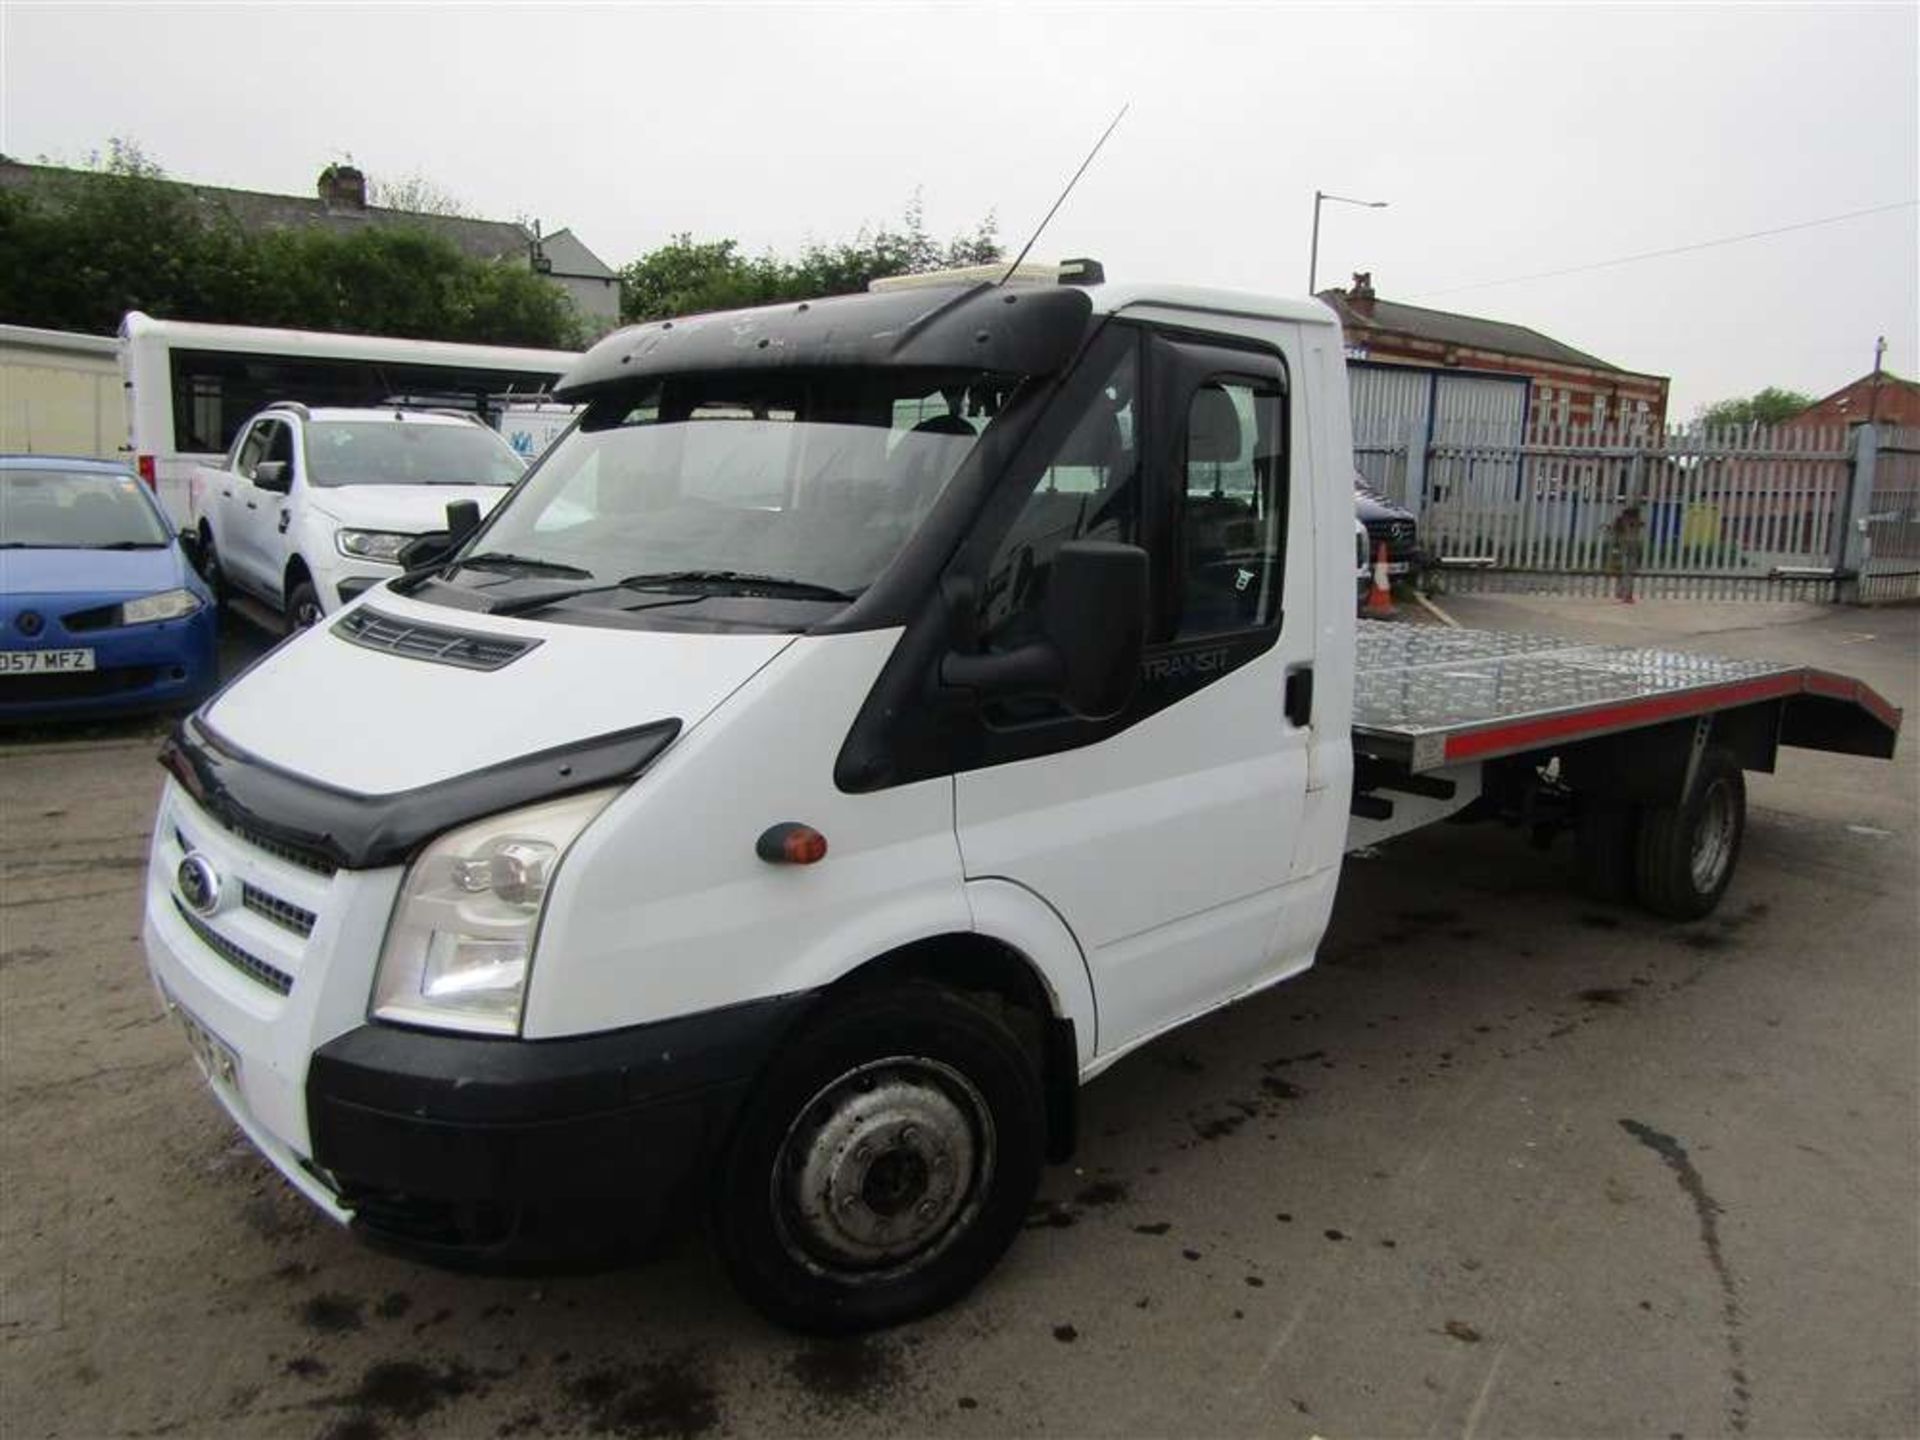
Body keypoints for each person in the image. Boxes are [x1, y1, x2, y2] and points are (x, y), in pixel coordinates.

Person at [1608, 502, 1646, 603]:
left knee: (1628, 572)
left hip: (1630, 549)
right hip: (1624, 549)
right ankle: (1623, 593)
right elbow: (1616, 536)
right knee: (1623, 571)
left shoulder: (1636, 524)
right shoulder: (1622, 524)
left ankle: (1626, 594)